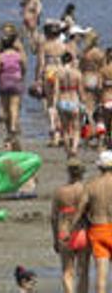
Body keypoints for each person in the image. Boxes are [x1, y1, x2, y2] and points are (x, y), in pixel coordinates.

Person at [52, 158, 90, 293]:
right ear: (82, 173)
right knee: (83, 272)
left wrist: (55, 239)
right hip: (82, 232)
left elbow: (54, 217)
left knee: (67, 271)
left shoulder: (59, 191)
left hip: (64, 232)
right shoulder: (85, 190)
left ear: (68, 172)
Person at [0, 34, 27, 150]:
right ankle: (13, 127)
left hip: (4, 82)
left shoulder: (0, 56)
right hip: (16, 81)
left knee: (5, 107)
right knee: (14, 106)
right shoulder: (18, 56)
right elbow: (24, 68)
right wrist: (21, 76)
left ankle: (9, 130)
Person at [55, 52, 85, 157]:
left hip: (63, 101)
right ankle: (74, 149)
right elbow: (81, 91)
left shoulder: (58, 73)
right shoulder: (77, 73)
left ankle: (68, 150)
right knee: (76, 128)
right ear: (71, 60)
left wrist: (55, 105)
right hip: (74, 101)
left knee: (65, 128)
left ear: (62, 61)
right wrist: (84, 102)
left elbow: (56, 90)